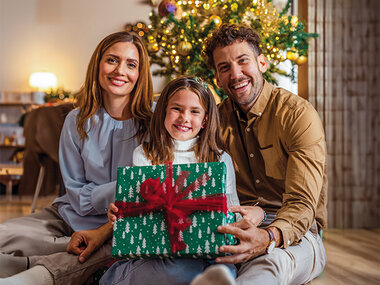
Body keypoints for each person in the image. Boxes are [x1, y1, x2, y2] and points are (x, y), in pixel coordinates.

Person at [0, 31, 154, 285]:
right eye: (112, 60)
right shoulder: (77, 120)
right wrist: (127, 186)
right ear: (98, 64)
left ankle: (26, 265)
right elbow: (78, 196)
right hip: (68, 217)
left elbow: (153, 191)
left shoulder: (155, 121)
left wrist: (123, 195)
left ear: (140, 73)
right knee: (5, 233)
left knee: (100, 248)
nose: (120, 71)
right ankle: (50, 254)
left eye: (131, 64)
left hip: (120, 228)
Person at [195, 23, 327, 285]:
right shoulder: (215, 122)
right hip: (235, 228)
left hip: (296, 235)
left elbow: (302, 203)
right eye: (224, 68)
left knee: (273, 263)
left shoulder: (297, 115)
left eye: (243, 61)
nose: (235, 74)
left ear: (262, 63)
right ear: (218, 79)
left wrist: (269, 236)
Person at [99, 75, 246, 285]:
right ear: (163, 112)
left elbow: (232, 210)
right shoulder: (144, 155)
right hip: (160, 250)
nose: (184, 118)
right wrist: (120, 214)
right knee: (176, 269)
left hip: (210, 250)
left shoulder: (220, 159)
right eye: (176, 109)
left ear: (205, 119)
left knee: (226, 270)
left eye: (194, 111)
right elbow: (140, 212)